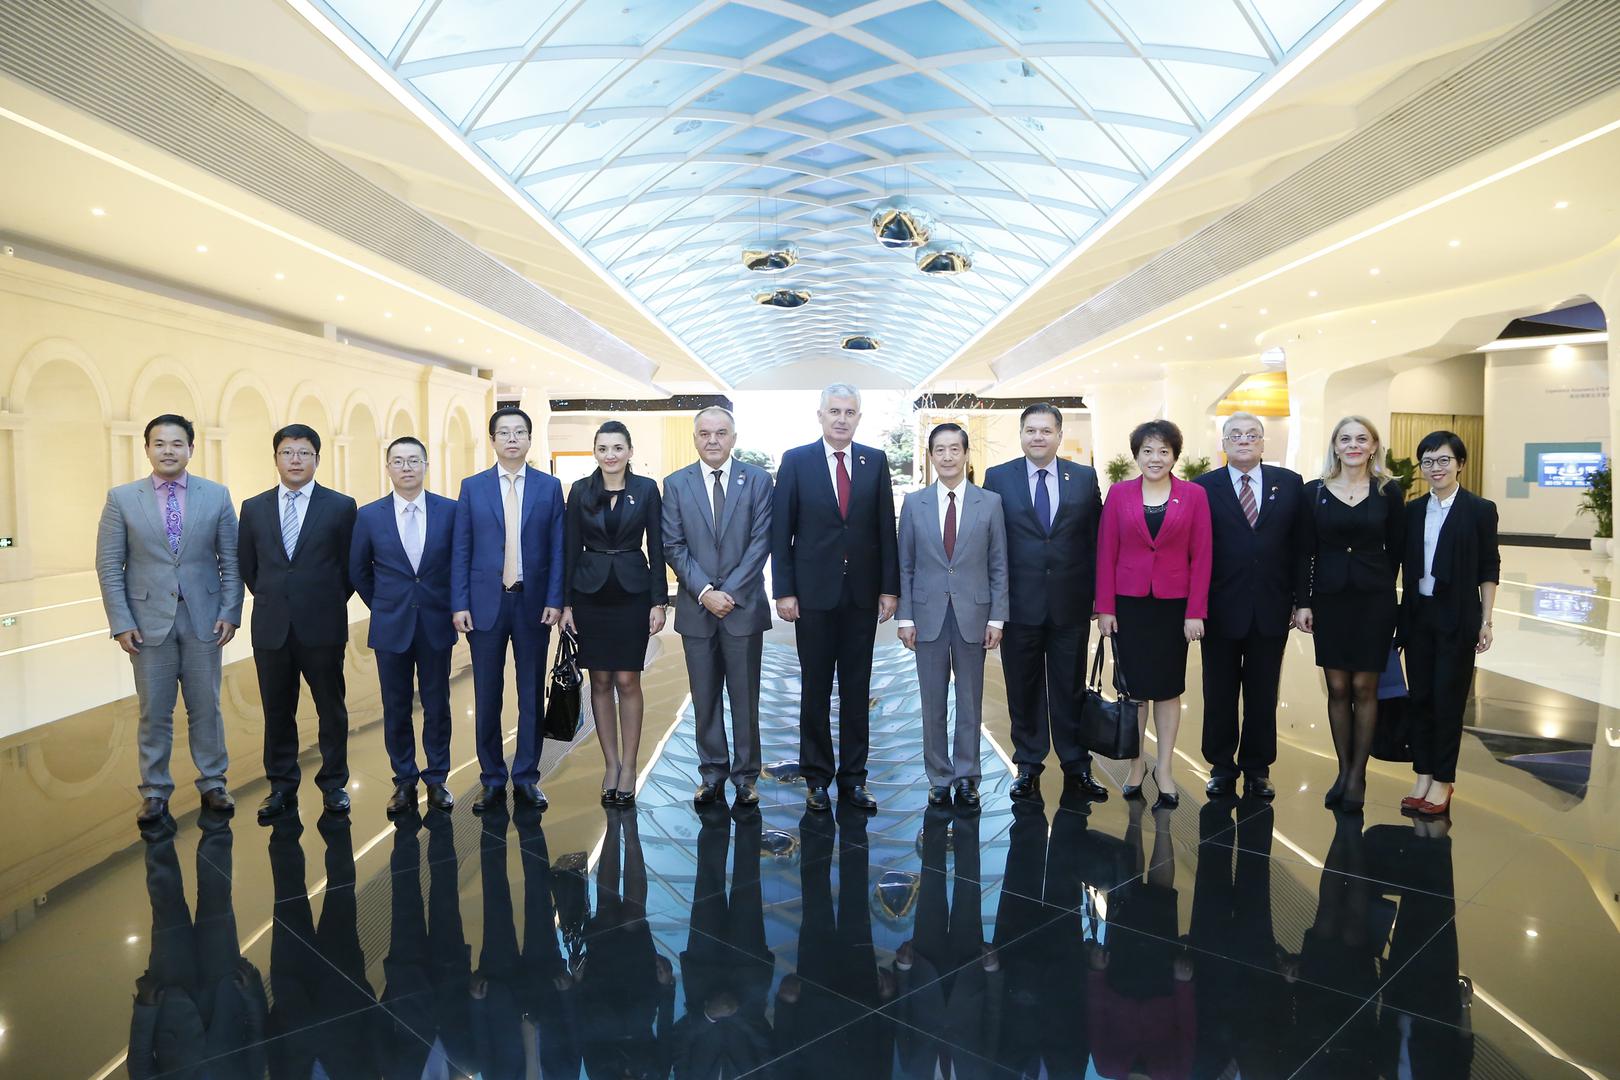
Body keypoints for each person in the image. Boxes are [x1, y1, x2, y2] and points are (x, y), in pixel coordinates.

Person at [96, 414, 243, 825]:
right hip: (146, 623)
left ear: (191, 449)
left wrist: (230, 611)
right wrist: (121, 621)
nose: (168, 451)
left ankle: (213, 782)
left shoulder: (216, 496)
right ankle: (155, 791)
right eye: (159, 443)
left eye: (177, 444)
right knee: (154, 711)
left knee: (207, 706)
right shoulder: (122, 499)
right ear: (146, 449)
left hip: (204, 620)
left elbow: (232, 560)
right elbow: (109, 565)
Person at [771, 383, 900, 812]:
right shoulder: (796, 461)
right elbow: (781, 531)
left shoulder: (874, 461)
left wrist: (889, 587)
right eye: (834, 411)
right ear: (820, 415)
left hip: (862, 594)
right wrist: (784, 590)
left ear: (858, 417)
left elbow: (885, 528)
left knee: (857, 689)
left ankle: (854, 779)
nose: (842, 419)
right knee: (816, 689)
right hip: (813, 596)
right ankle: (816, 778)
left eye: (849, 412)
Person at [982, 403, 1109, 802]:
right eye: (1031, 430)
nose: (1038, 437)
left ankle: (1077, 765)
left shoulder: (1084, 477)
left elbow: (1098, 540)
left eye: (1046, 430)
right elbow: (990, 542)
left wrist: (1099, 595)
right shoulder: (998, 477)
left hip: (1071, 603)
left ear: (1059, 435)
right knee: (1023, 687)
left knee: (1070, 687)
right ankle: (1028, 765)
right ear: (1021, 435)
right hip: (1018, 604)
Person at [238, 424, 358, 822]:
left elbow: (349, 567)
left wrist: (321, 600)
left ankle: (334, 783)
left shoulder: (340, 506)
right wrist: (279, 598)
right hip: (271, 626)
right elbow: (248, 568)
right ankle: (281, 786)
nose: (295, 460)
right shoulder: (253, 508)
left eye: (304, 453)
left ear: (317, 459)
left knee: (331, 708)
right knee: (276, 710)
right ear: (275, 458)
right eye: (287, 452)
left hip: (322, 625)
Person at [451, 406, 565, 814]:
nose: (512, 438)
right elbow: (461, 548)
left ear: (530, 439)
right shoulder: (473, 487)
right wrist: (460, 603)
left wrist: (555, 598)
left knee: (531, 693)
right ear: (493, 440)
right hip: (486, 604)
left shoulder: (549, 487)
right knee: (487, 694)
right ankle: (492, 779)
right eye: (504, 432)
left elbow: (558, 547)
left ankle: (527, 776)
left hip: (533, 604)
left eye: (519, 432)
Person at [1095, 420, 1212, 809]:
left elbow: (1202, 556)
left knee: (1167, 689)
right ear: (1137, 455)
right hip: (1129, 605)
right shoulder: (1119, 494)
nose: (1155, 458)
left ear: (1175, 455)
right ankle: (1136, 764)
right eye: (1147, 451)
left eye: (1164, 451)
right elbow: (1106, 552)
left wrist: (1195, 612)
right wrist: (1105, 607)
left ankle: (1164, 768)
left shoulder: (1194, 496)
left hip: (1173, 606)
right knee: (1133, 691)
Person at [1295, 415, 1406, 813]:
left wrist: (1390, 594)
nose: (1353, 445)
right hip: (1330, 600)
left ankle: (1358, 775)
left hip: (1374, 600)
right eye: (1345, 439)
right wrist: (1303, 601)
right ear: (1335, 446)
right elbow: (1304, 551)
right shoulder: (1314, 492)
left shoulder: (1388, 490)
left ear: (1374, 446)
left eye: (1362, 439)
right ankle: (1343, 770)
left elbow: (1398, 550)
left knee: (1365, 688)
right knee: (1338, 688)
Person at [662, 406, 772, 807]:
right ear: (695, 438)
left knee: (745, 698)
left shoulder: (757, 480)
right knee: (704, 698)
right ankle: (712, 773)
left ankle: (746, 776)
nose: (712, 440)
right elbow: (673, 544)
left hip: (743, 608)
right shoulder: (676, 484)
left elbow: (762, 541)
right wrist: (705, 591)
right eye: (705, 433)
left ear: (734, 438)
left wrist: (730, 592)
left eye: (721, 433)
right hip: (697, 609)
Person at [1193, 411, 1306, 800]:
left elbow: (1300, 547)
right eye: (1235, 435)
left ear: (1262, 443)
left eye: (1252, 434)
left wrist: (1301, 600)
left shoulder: (1289, 484)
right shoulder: (1202, 487)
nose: (1244, 440)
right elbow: (1195, 550)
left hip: (1272, 605)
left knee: (1263, 693)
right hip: (1219, 606)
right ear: (1223, 443)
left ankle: (1258, 768)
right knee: (1218, 692)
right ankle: (1221, 767)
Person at [897, 423, 1009, 810]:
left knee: (970, 700)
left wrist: (997, 618)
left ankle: (967, 776)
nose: (947, 456)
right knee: (932, 702)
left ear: (966, 454)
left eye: (954, 449)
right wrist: (905, 618)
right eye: (940, 450)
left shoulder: (989, 503)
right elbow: (905, 564)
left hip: (974, 615)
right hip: (926, 615)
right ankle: (939, 777)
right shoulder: (914, 503)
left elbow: (999, 565)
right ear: (931, 456)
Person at [349, 436, 458, 817]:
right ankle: (404, 780)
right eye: (398, 461)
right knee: (395, 705)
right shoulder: (369, 515)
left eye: (414, 460)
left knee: (437, 703)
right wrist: (383, 605)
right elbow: (358, 569)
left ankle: (437, 777)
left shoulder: (449, 511)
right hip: (391, 624)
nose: (406, 467)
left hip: (435, 621)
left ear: (426, 466)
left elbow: (458, 564)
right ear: (388, 468)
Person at [561, 420, 666, 808]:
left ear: (630, 452)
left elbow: (657, 547)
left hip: (633, 593)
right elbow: (570, 548)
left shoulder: (646, 490)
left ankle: (629, 767)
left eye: (617, 448)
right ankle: (611, 765)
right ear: (595, 452)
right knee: (600, 680)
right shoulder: (580, 490)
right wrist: (566, 604)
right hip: (589, 595)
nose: (610, 455)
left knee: (627, 679)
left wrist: (659, 602)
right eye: (603, 448)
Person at [1398, 430, 1499, 817]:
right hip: (1417, 615)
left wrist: (1486, 620)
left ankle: (1443, 779)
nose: (1435, 468)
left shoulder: (1479, 510)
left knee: (1448, 700)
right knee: (1420, 697)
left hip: (1457, 616)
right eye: (1427, 461)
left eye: (1443, 460)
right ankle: (1422, 773)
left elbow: (1489, 566)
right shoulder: (1412, 510)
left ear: (1460, 464)